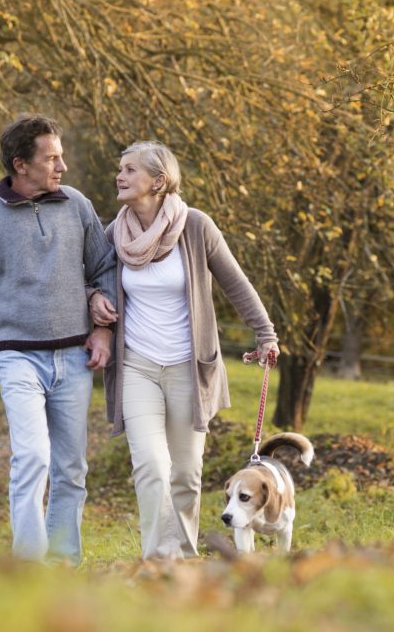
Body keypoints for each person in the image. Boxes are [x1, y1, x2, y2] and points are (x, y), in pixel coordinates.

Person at [89, 140, 278, 560]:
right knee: (151, 467)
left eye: (129, 169)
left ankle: (186, 555)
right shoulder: (113, 234)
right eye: (119, 168)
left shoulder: (195, 227)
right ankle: (161, 560)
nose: (119, 176)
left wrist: (265, 333)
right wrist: (92, 300)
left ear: (158, 181)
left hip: (189, 369)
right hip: (137, 365)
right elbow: (90, 278)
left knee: (187, 474)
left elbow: (235, 282)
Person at [0, 114, 116, 565]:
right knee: (32, 456)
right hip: (16, 358)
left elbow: (105, 268)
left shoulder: (78, 205)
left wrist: (102, 328)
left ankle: (62, 562)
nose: (62, 166)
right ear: (21, 165)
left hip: (74, 358)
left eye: (61, 156)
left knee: (71, 468)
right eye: (52, 158)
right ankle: (27, 564)